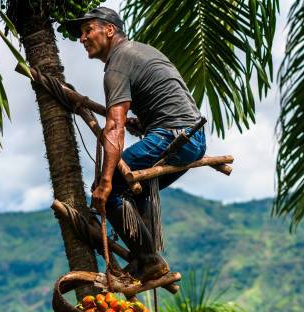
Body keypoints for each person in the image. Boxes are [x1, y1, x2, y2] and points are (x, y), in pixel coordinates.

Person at [63, 7, 206, 282]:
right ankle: (144, 258)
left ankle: (150, 260)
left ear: (109, 29)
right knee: (131, 191)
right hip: (190, 136)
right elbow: (164, 95)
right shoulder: (140, 51)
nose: (82, 38)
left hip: (174, 136)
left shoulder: (117, 64)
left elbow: (114, 126)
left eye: (88, 30)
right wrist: (143, 122)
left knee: (112, 187)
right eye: (81, 34)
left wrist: (104, 183)